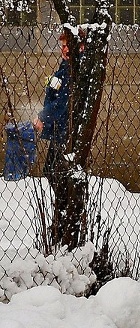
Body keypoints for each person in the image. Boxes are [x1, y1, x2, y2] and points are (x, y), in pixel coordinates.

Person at [33, 31, 74, 213]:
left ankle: (67, 209)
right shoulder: (64, 66)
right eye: (62, 46)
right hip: (59, 129)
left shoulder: (72, 69)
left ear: (79, 47)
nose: (64, 49)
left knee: (53, 171)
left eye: (68, 45)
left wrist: (43, 117)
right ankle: (66, 209)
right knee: (54, 172)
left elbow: (62, 103)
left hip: (65, 130)